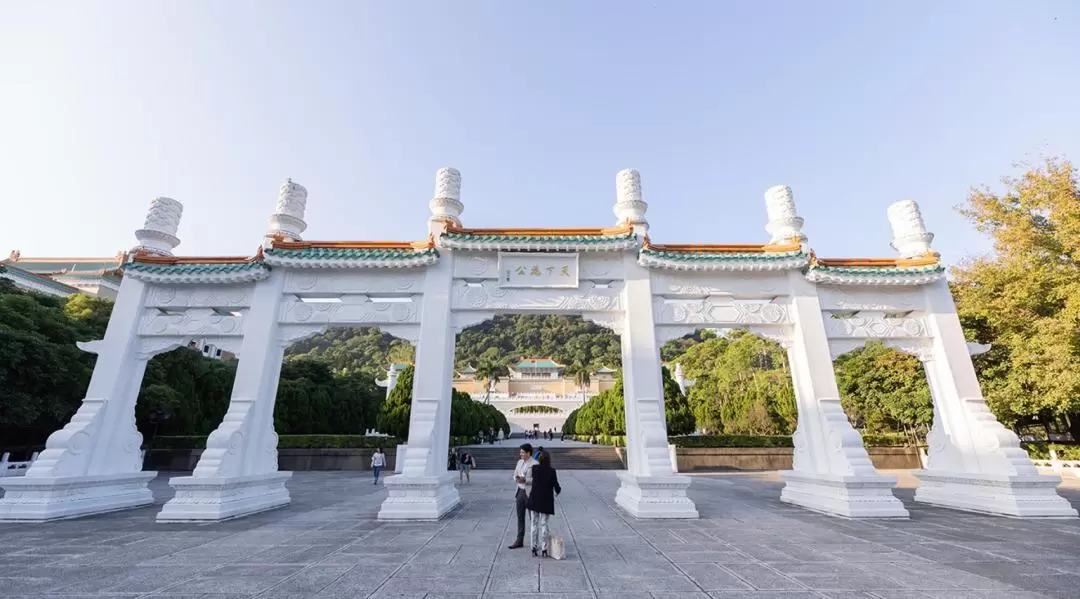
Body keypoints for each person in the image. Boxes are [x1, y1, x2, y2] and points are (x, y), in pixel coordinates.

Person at [526, 450, 561, 557]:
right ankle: (544, 549)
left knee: (534, 524)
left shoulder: (535, 469)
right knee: (544, 524)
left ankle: (533, 547)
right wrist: (557, 491)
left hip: (534, 500)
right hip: (546, 501)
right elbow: (556, 486)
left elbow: (531, 480)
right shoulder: (552, 471)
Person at [508, 443, 536, 549]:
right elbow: (515, 474)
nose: (521, 454)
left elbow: (537, 479)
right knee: (520, 517)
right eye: (520, 452)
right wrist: (517, 478)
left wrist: (525, 480)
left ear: (528, 453)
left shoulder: (535, 463)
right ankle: (519, 540)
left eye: (523, 452)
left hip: (530, 493)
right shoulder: (519, 462)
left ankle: (534, 542)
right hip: (520, 491)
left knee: (533, 518)